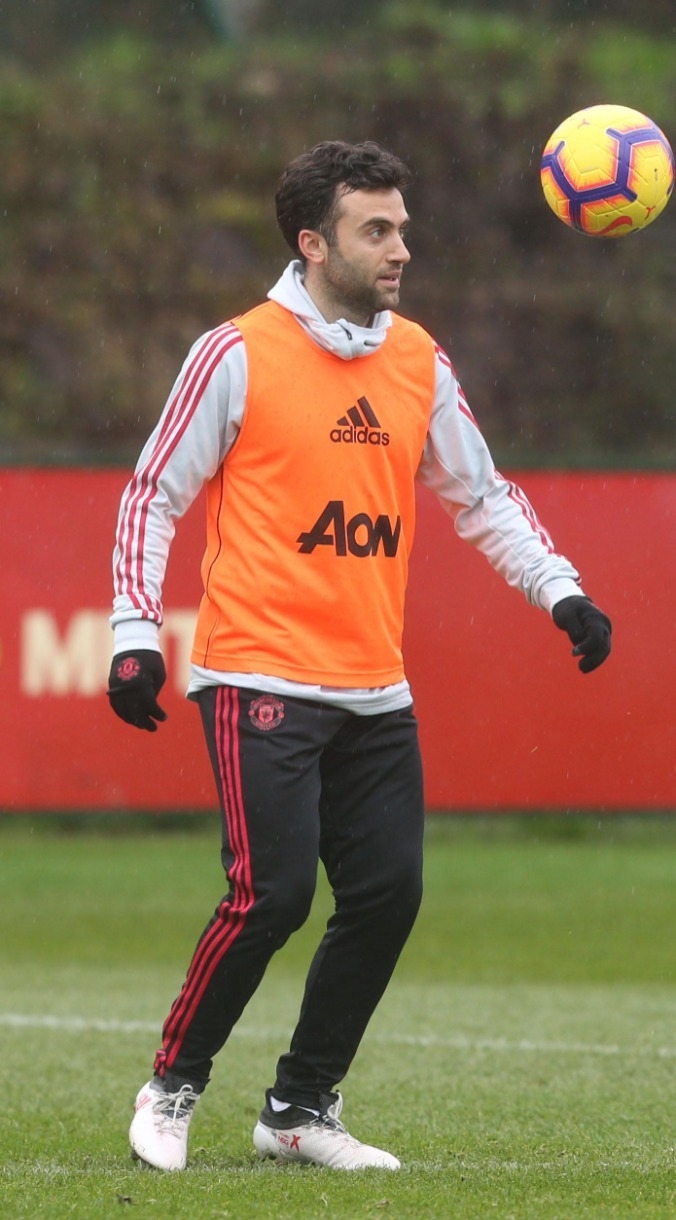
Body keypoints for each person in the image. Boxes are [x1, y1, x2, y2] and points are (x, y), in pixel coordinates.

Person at [107, 139, 612, 1173]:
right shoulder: (236, 352)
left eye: (402, 229)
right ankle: (173, 1084)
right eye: (375, 230)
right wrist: (133, 634)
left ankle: (299, 1108)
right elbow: (151, 495)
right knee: (273, 894)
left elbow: (482, 496)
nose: (399, 250)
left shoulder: (418, 358)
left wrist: (560, 589)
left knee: (387, 896)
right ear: (313, 242)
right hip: (256, 671)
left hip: (375, 687)